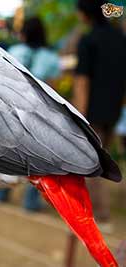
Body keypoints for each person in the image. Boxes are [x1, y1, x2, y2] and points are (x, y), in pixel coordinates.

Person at [0, 17, 61, 212]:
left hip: (11, 112)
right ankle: (30, 202)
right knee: (39, 158)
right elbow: (53, 90)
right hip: (40, 114)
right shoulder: (51, 58)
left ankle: (0, 193)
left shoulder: (13, 52)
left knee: (7, 153)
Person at [73, 0, 126, 229]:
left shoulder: (88, 40)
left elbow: (82, 81)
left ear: (85, 14)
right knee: (105, 161)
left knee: (92, 165)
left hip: (93, 111)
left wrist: (78, 116)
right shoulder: (120, 38)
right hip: (114, 109)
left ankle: (100, 216)